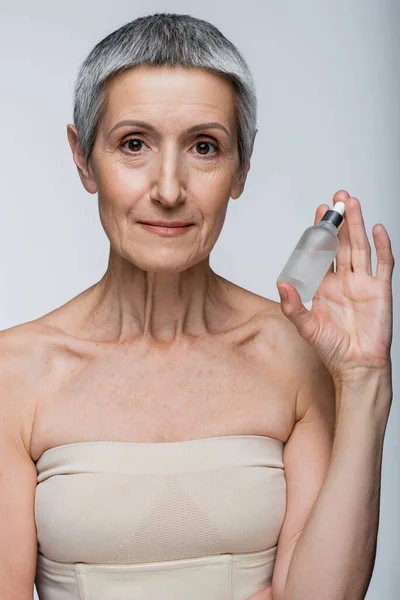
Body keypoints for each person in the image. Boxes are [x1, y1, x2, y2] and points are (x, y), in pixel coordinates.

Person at [0, 12, 394, 600]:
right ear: (83, 159)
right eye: (133, 144)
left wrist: (364, 382)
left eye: (204, 147)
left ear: (242, 167)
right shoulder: (13, 373)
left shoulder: (297, 357)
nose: (167, 188)